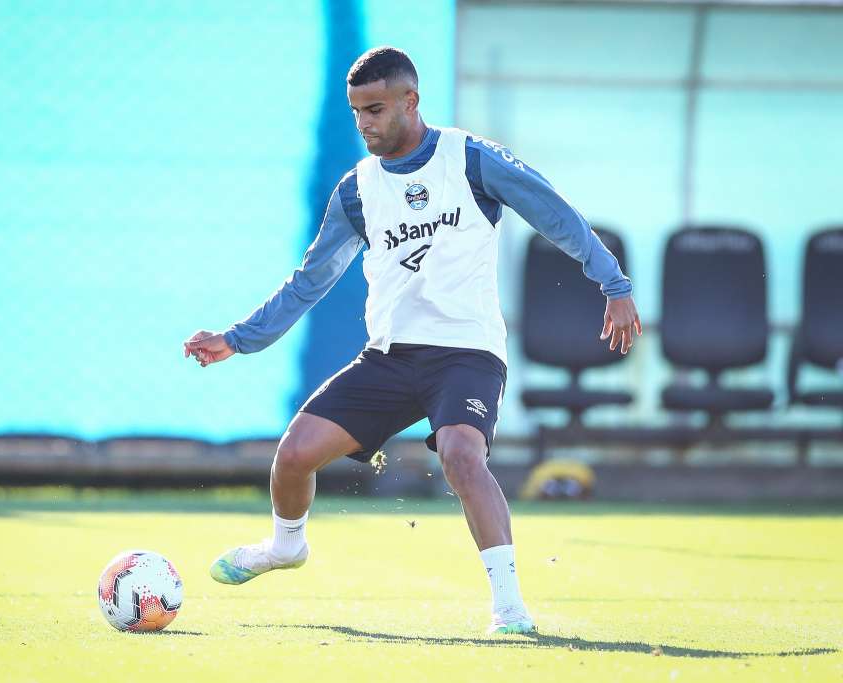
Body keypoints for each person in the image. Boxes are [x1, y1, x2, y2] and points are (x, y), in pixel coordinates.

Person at [183, 46, 641, 635]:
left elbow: (552, 210)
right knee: (294, 454)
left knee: (460, 454)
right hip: (391, 356)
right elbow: (310, 282)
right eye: (356, 114)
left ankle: (508, 606)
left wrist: (613, 281)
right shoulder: (356, 191)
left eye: (375, 109)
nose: (366, 124)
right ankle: (286, 546)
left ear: (410, 101)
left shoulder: (469, 160)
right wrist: (238, 339)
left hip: (466, 352)